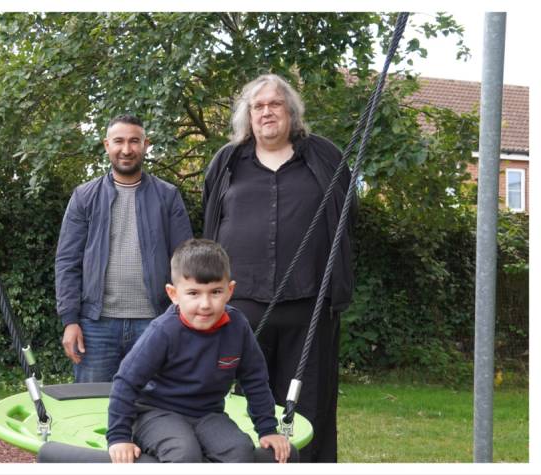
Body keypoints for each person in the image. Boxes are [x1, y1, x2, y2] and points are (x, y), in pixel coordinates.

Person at [202, 73, 356, 462]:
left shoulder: (324, 156)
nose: (266, 112)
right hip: (242, 307)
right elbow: (210, 218)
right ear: (248, 115)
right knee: (241, 403)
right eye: (258, 106)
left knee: (308, 406)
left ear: (290, 112)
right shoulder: (228, 161)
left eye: (275, 104)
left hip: (310, 305)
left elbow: (347, 213)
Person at [106, 238, 291, 463]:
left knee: (240, 450)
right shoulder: (163, 331)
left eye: (215, 292)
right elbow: (126, 380)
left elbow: (255, 379)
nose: (205, 304)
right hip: (155, 412)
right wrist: (119, 436)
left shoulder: (237, 326)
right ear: (173, 294)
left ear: (230, 290)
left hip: (208, 414)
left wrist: (268, 429)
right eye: (193, 293)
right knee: (184, 452)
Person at [55, 114, 193, 383]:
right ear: (107, 145)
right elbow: (67, 262)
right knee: (93, 404)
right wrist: (70, 320)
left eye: (134, 141)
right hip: (95, 326)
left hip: (155, 323)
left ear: (146, 145)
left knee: (155, 404)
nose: (126, 149)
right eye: (119, 141)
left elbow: (185, 262)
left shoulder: (167, 196)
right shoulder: (84, 197)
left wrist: (182, 317)